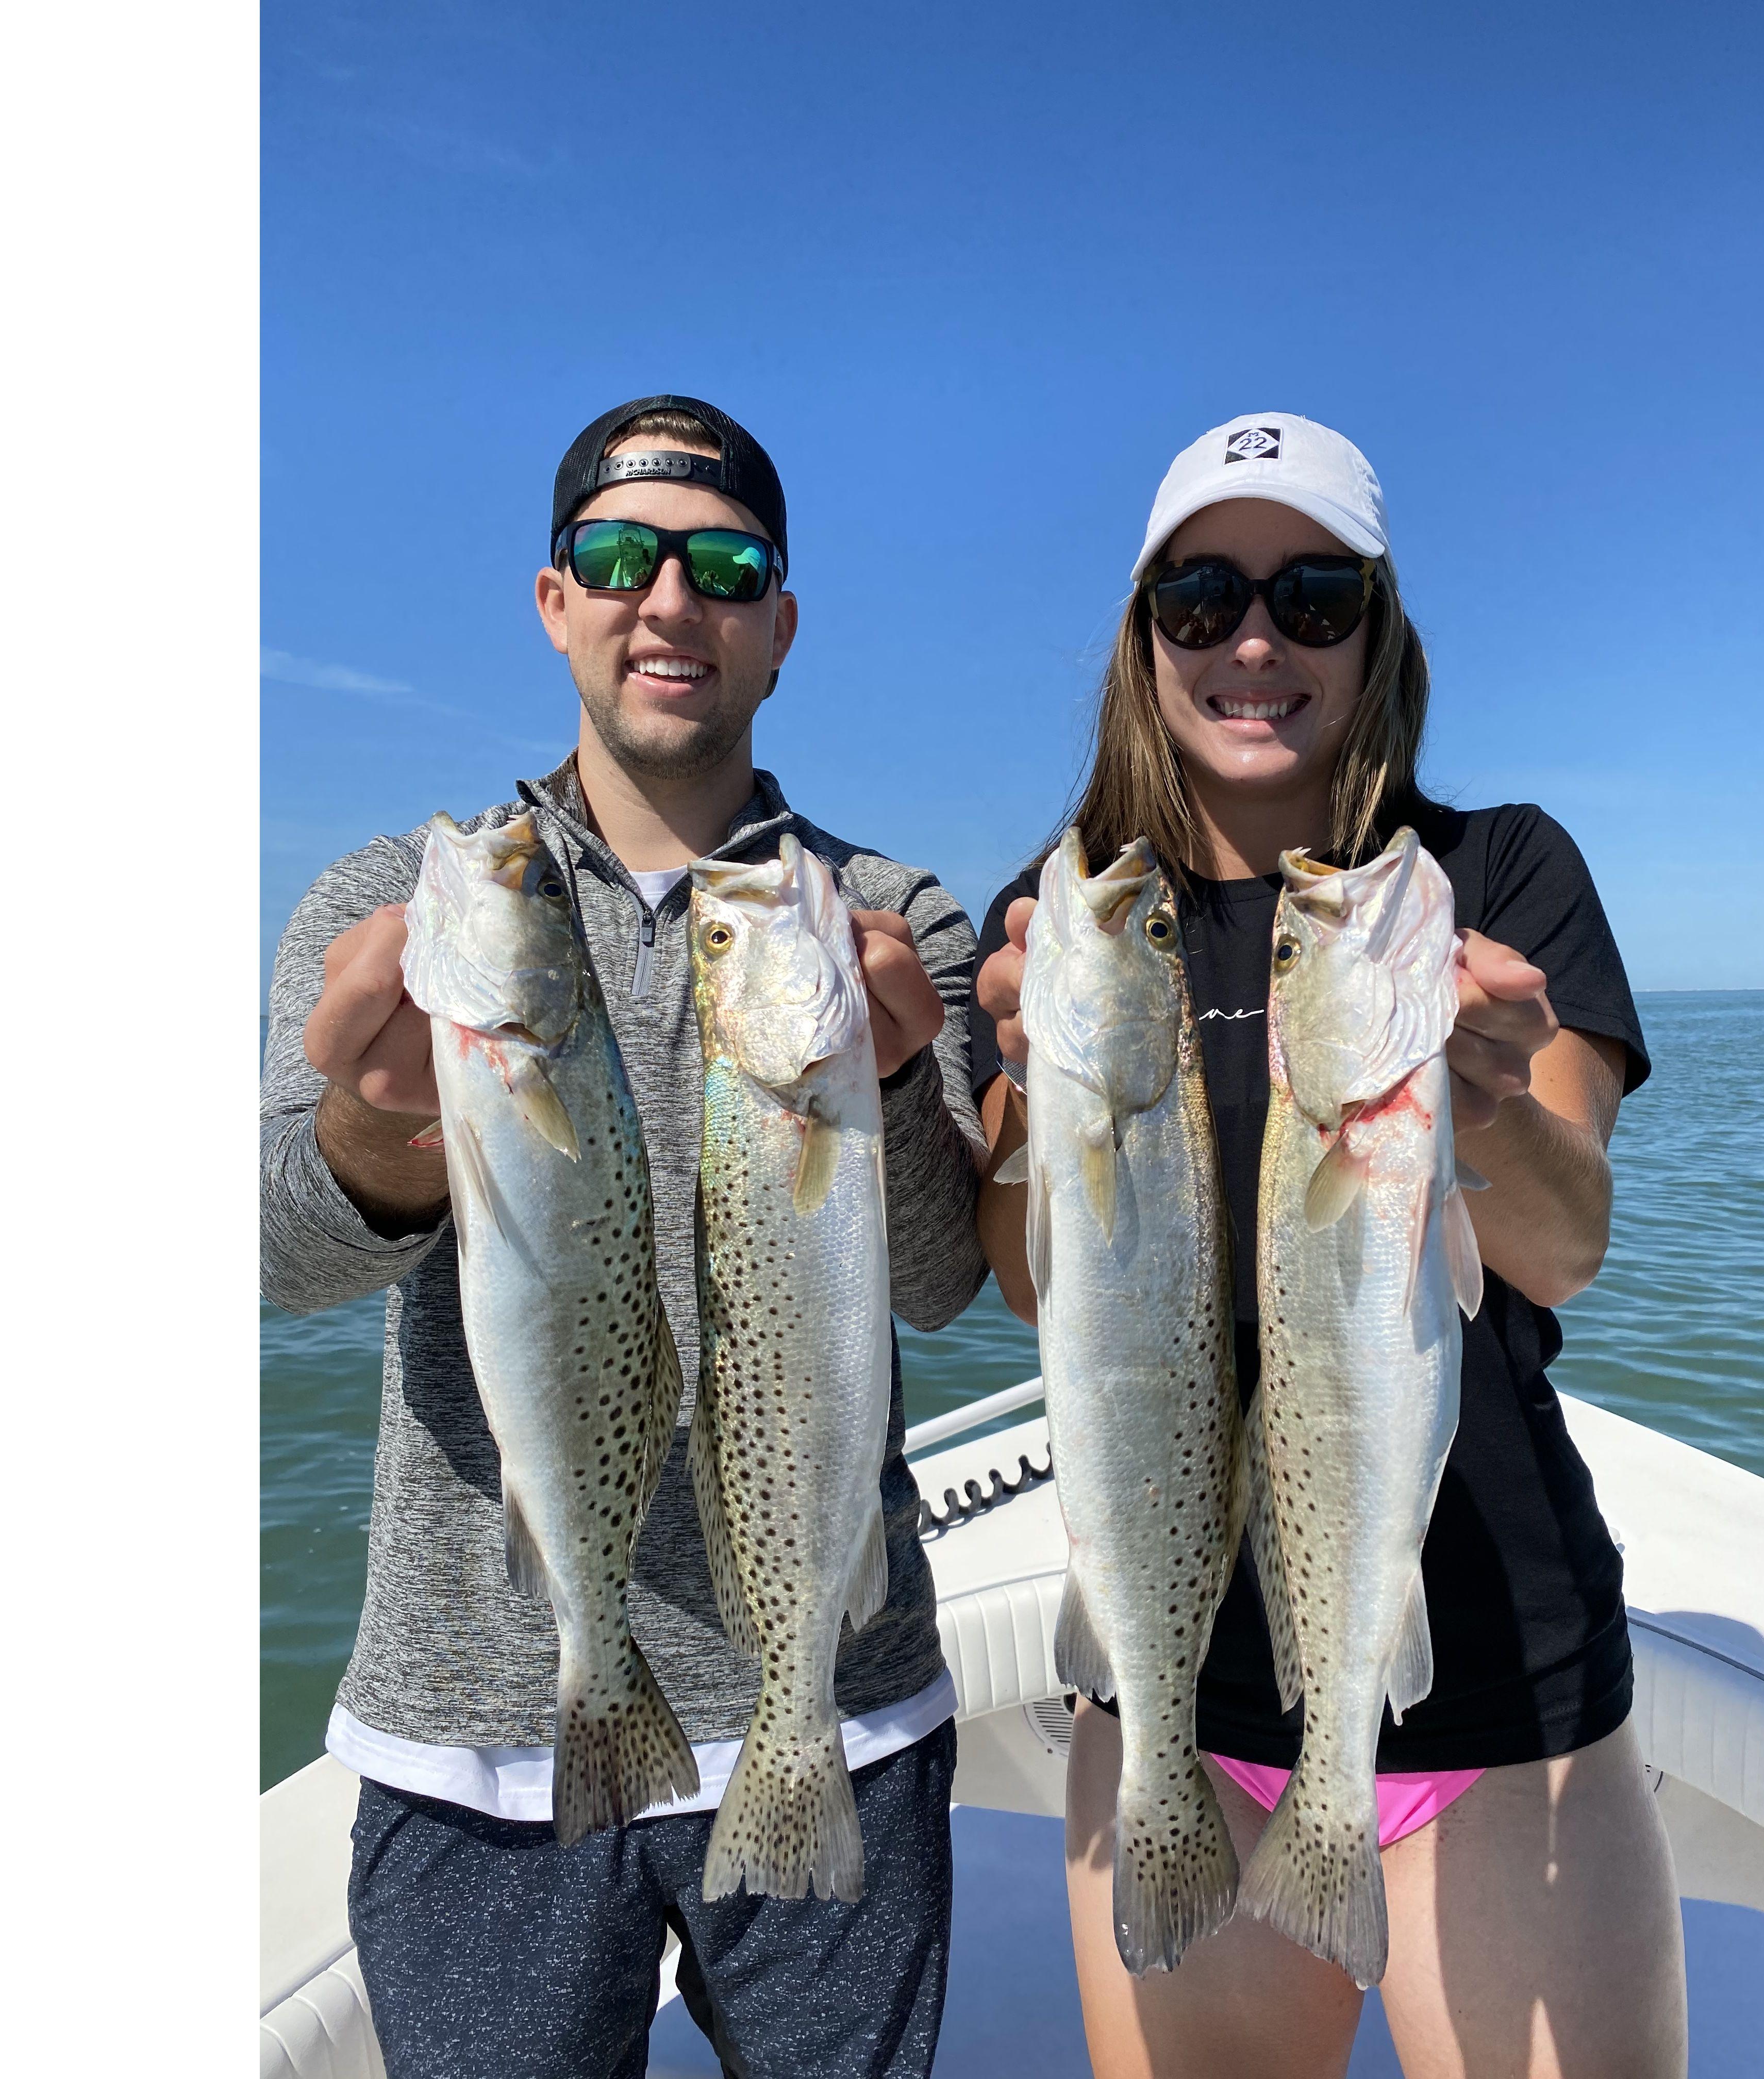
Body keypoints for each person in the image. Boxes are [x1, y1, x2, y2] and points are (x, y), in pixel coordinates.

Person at [261, 394, 988, 2079]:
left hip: (839, 1710)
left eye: (724, 569)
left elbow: (947, 1282)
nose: (670, 600)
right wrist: (382, 1130)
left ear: (781, 626)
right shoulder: (409, 894)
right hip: (477, 1747)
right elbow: (275, 1259)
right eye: (618, 557)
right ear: (554, 600)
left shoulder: (888, 915)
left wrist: (885, 1085)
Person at [972, 414, 1687, 2079]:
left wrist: (1482, 1105)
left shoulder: (1489, 873)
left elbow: (1564, 1248)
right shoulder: (1084, 902)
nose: (1253, 641)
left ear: (1379, 634)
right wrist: (1034, 1107)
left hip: (1494, 1688)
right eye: (1201, 595)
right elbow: (1024, 1278)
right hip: (1172, 1693)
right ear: (1145, 635)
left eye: (1313, 596)